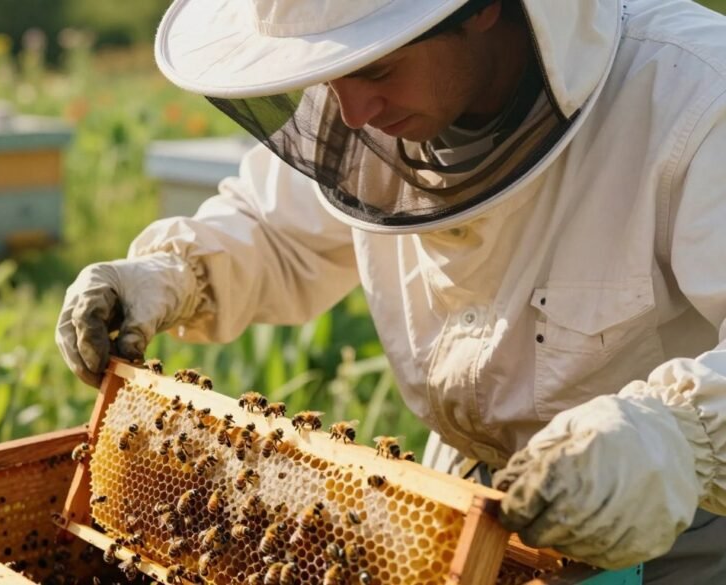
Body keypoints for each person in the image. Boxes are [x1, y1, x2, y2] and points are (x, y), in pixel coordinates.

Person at [56, 0, 726, 580]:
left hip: (680, 520)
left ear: (483, 8)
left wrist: (673, 441)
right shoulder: (369, 110)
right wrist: (172, 274)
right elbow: (278, 228)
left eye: (376, 68)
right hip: (462, 500)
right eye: (332, 74)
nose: (353, 111)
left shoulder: (695, 93)